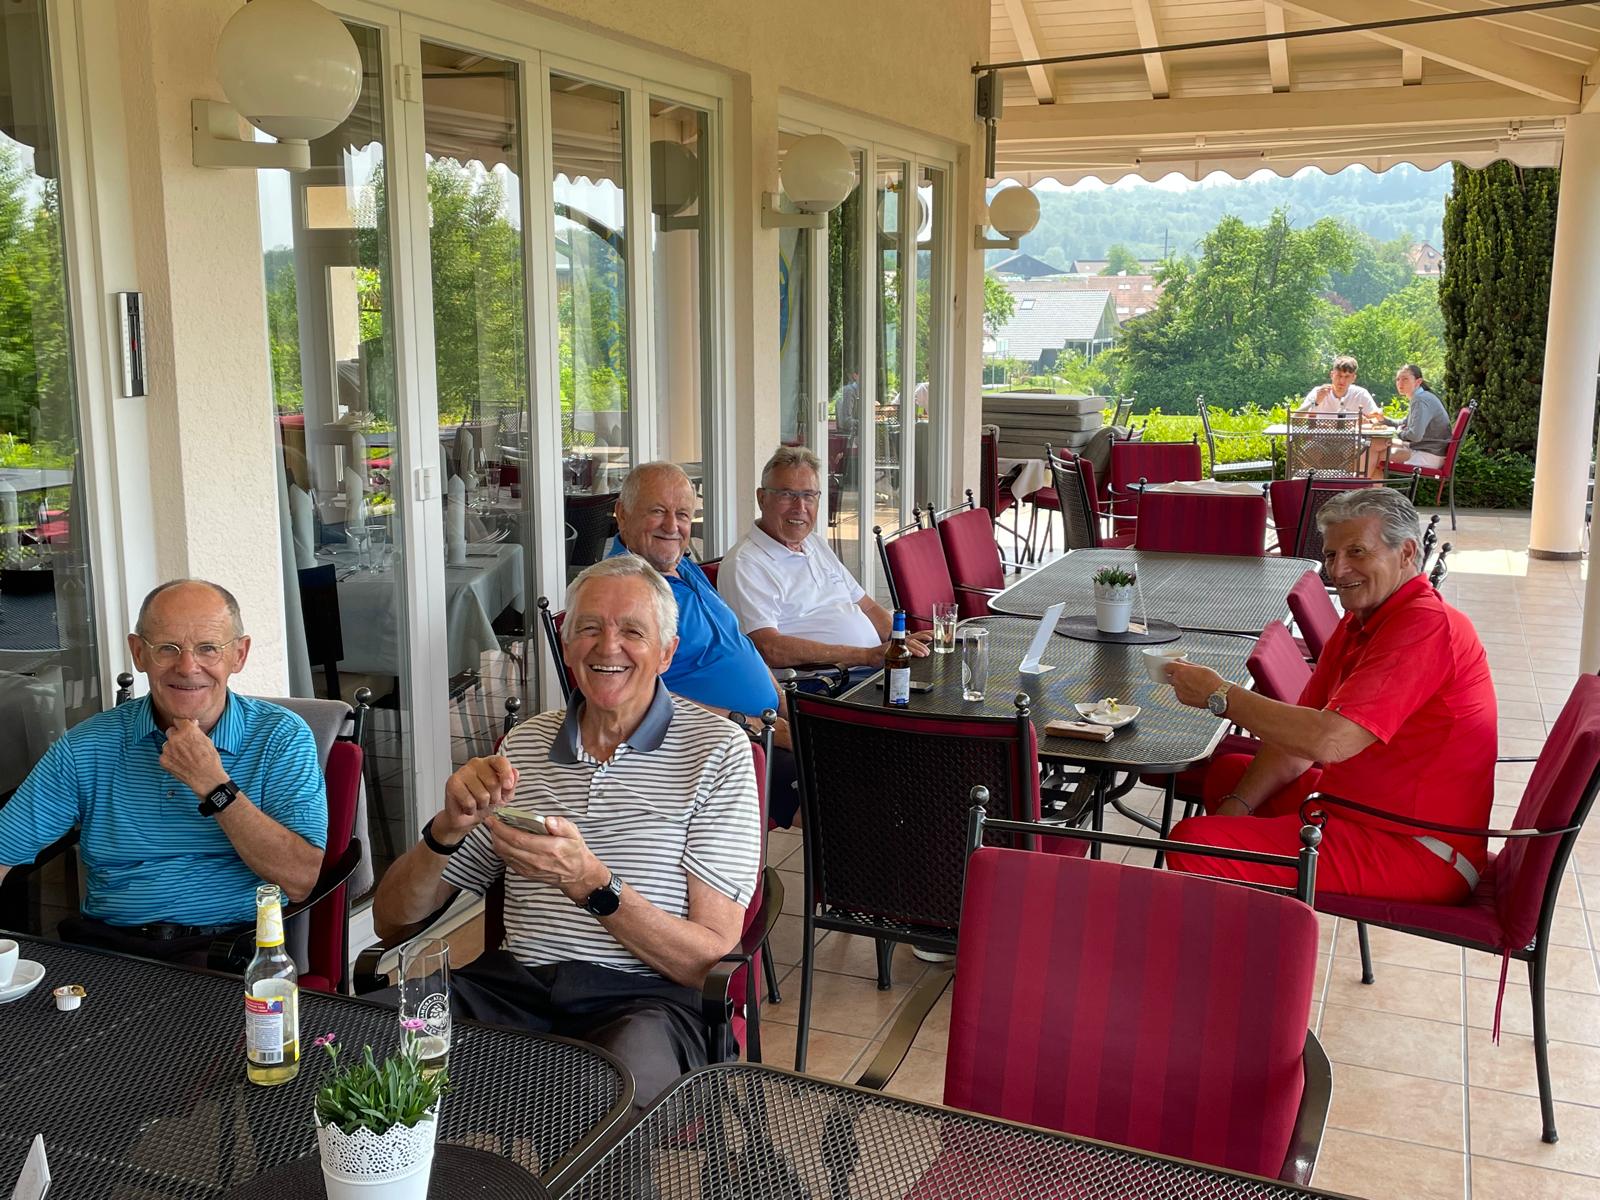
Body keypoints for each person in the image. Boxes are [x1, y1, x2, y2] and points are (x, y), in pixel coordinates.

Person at [372, 555, 761, 1110]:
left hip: (647, 1003)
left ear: (667, 652)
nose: (608, 647)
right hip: (515, 991)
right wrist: (447, 828)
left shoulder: (717, 751)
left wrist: (591, 884)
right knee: (355, 1043)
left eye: (633, 631)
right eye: (589, 627)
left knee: (604, 1098)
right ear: (567, 642)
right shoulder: (525, 745)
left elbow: (707, 960)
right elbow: (391, 923)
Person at [1160, 488, 1496, 902]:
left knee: (1195, 844)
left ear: (1407, 552)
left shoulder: (1424, 626)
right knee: (1230, 778)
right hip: (1357, 808)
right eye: (1332, 555)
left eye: (1357, 552)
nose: (1338, 569)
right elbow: (1296, 743)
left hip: (1419, 847)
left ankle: (1256, 931)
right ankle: (1255, 913)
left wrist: (1221, 695)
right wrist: (1236, 809)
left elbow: (1330, 741)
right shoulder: (1363, 619)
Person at [0, 580, 327, 965]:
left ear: (239, 655)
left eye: (208, 648)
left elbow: (300, 879)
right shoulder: (89, 744)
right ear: (139, 653)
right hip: (108, 950)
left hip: (228, 949)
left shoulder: (280, 737)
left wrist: (213, 785)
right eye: (167, 648)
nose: (187, 667)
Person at [607, 461, 804, 825]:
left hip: (769, 723)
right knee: (846, 795)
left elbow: (737, 643)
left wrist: (782, 703)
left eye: (682, 514)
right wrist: (753, 724)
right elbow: (638, 697)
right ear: (622, 513)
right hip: (717, 744)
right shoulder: (625, 591)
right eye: (657, 511)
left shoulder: (680, 565)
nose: (672, 526)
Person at [718, 445, 932, 679]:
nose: (800, 507)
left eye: (808, 496)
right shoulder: (745, 564)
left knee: (941, 672)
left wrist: (899, 641)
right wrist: (866, 655)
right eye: (787, 495)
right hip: (827, 684)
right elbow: (768, 647)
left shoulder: (814, 543)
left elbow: (867, 606)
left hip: (870, 669)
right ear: (762, 498)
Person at [1387, 364, 1451, 470]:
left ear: (1418, 381)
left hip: (1428, 456)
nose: (1400, 383)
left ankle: (1365, 480)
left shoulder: (1420, 400)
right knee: (1379, 446)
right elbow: (1404, 423)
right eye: (1398, 379)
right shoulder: (1421, 397)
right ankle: (1370, 481)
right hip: (1427, 451)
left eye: (1405, 379)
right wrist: (1382, 420)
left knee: (1374, 453)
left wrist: (1398, 433)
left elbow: (1415, 436)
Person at [1297, 355, 1381, 418]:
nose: (1342, 381)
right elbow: (1296, 419)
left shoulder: (1361, 394)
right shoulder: (1318, 392)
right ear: (1332, 375)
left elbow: (1377, 418)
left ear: (1353, 378)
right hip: (1321, 436)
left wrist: (1369, 421)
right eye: (1339, 375)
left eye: (1347, 377)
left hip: (1352, 437)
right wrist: (1315, 402)